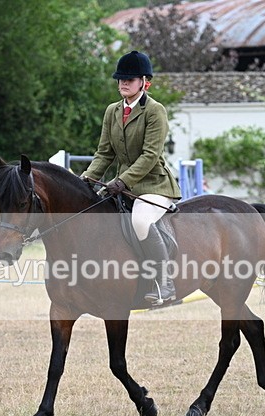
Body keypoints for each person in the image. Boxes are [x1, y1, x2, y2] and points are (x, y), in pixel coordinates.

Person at [80, 50, 181, 305]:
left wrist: (122, 181)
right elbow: (104, 153)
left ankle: (164, 283)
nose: (123, 83)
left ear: (144, 82)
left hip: (154, 184)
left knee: (140, 221)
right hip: (122, 186)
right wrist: (87, 180)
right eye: (120, 78)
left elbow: (149, 156)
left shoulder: (155, 111)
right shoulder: (112, 111)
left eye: (130, 79)